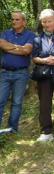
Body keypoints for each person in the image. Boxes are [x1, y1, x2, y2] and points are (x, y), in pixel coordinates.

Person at [0, 11, 36, 134]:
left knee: (17, 103)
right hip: (5, 73)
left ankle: (11, 129)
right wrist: (19, 47)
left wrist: (11, 47)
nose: (14, 21)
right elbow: (2, 45)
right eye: (12, 19)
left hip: (21, 73)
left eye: (17, 19)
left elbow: (27, 50)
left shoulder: (30, 35)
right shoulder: (6, 33)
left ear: (23, 21)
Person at [32, 9, 54, 141]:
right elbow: (34, 57)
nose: (46, 24)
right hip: (44, 75)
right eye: (44, 22)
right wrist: (44, 60)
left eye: (49, 21)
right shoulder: (37, 39)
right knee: (44, 103)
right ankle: (46, 132)